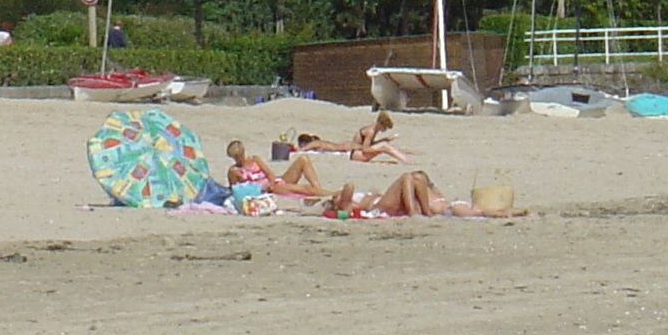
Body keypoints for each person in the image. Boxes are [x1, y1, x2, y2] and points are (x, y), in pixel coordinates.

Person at [325, 171, 527, 219]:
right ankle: (419, 213)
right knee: (408, 177)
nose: (337, 196)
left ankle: (511, 212)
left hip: (436, 204)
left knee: (480, 210)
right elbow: (348, 187)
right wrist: (335, 204)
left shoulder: (349, 203)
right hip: (384, 206)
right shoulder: (346, 208)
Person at [224, 139, 331, 200]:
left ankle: (318, 189)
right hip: (269, 188)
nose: (239, 158)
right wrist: (266, 186)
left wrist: (271, 181)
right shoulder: (234, 171)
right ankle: (331, 194)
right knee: (304, 188)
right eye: (236, 156)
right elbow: (236, 189)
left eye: (240, 155)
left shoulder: (254, 159)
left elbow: (270, 173)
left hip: (275, 182)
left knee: (303, 159)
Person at [296, 114, 409, 163]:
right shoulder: (316, 143)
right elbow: (303, 150)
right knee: (384, 147)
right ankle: (406, 159)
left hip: (351, 150)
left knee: (384, 146)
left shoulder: (318, 143)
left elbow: (302, 149)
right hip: (352, 151)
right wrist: (299, 150)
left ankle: (405, 156)